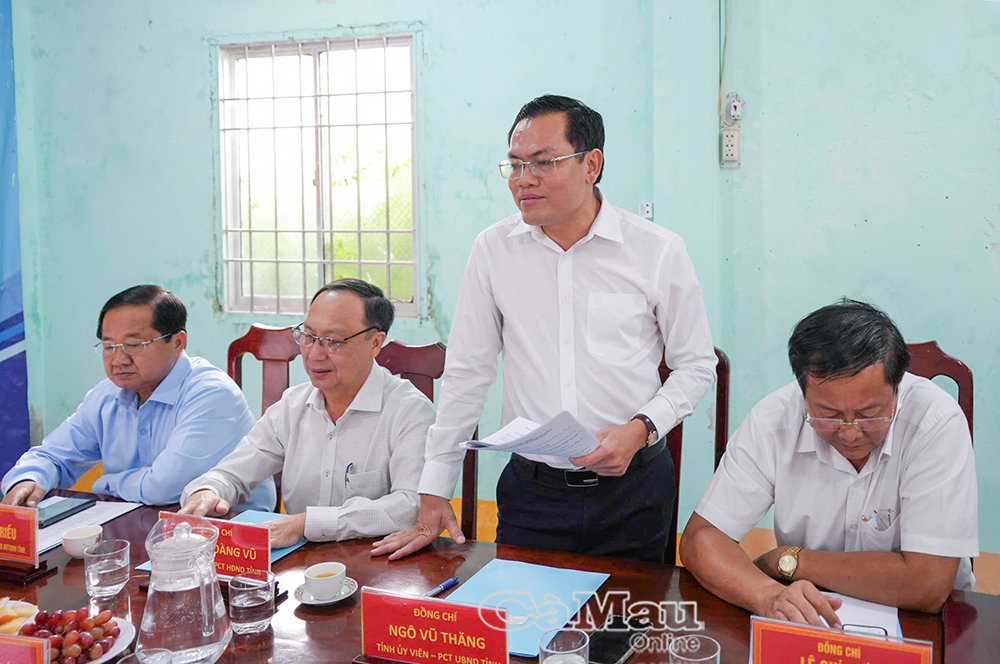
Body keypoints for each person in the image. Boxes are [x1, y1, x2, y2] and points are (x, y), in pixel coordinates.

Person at [373, 95, 717, 563]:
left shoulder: (656, 250)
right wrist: (434, 488)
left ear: (591, 164)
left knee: (630, 611)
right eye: (514, 165)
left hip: (634, 492)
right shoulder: (494, 250)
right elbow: (467, 373)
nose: (524, 179)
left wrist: (641, 429)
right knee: (522, 608)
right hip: (534, 494)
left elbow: (696, 366)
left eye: (542, 162)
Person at [680, 299, 978, 626]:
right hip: (808, 614)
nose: (850, 433)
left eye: (869, 414)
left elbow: (927, 584)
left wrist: (790, 561)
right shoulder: (773, 421)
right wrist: (768, 595)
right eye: (829, 414)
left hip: (926, 621)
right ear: (803, 392)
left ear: (897, 387)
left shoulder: (934, 422)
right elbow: (701, 538)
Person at [179, 279, 435, 547]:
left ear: (375, 343)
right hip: (299, 559)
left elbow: (412, 505)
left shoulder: (409, 411)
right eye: (309, 337)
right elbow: (234, 472)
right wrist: (208, 490)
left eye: (332, 341)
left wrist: (305, 524)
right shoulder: (292, 406)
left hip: (378, 558)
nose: (314, 354)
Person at [1, 285, 275, 510]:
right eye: (109, 346)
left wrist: (103, 484)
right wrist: (29, 478)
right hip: (138, 521)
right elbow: (53, 455)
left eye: (134, 345)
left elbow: (163, 488)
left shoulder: (211, 393)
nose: (119, 359)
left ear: (178, 342)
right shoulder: (106, 396)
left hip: (229, 533)